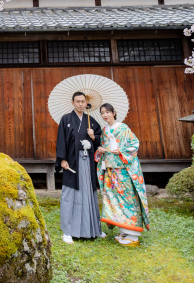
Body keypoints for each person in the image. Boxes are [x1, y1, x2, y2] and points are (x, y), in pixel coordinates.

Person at [95, 102, 150, 246]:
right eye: (102, 113)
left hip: (124, 171)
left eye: (107, 112)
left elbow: (134, 145)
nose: (105, 115)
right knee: (115, 200)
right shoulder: (104, 130)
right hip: (110, 171)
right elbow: (104, 148)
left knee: (128, 200)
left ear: (113, 112)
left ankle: (133, 234)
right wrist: (101, 150)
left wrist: (120, 151)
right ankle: (124, 231)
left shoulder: (123, 128)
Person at [55, 91, 103, 244]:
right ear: (73, 103)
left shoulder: (91, 121)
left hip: (87, 162)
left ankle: (93, 228)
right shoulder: (66, 119)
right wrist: (62, 159)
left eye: (83, 101)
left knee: (88, 193)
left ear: (86, 103)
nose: (81, 104)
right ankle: (68, 231)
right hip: (72, 162)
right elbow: (61, 140)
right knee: (70, 195)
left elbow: (101, 140)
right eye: (78, 101)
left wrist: (93, 137)